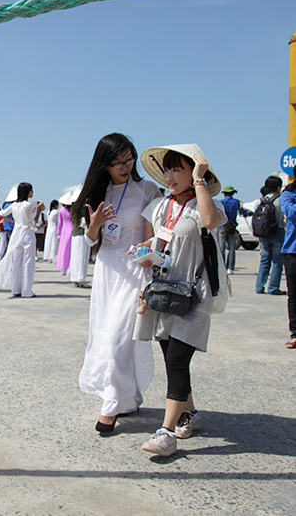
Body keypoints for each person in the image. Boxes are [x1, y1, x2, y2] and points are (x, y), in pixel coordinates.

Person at [133, 144, 226, 457]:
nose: (170, 176)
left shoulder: (201, 205)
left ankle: (166, 432)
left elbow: (212, 222)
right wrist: (144, 251)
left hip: (193, 297)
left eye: (178, 169)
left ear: (193, 173)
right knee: (172, 361)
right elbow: (157, 240)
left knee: (176, 361)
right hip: (163, 293)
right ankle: (191, 414)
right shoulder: (160, 206)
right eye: (167, 169)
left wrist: (200, 179)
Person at [73, 133, 160, 433]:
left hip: (134, 271)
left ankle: (110, 403)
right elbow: (91, 240)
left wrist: (148, 250)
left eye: (129, 159)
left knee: (118, 337)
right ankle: (128, 395)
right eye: (117, 162)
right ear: (104, 164)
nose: (125, 166)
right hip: (107, 272)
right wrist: (93, 227)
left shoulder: (147, 189)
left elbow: (155, 235)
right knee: (105, 335)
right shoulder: (100, 191)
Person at [0, 182, 43, 298]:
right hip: (27, 232)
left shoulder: (14, 205)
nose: (32, 192)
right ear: (27, 192)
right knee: (28, 262)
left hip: (17, 233)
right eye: (31, 190)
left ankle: (15, 289)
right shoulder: (29, 205)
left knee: (16, 262)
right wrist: (38, 210)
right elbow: (32, 221)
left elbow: (1, 214)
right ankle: (27, 291)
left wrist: (14, 222)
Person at [255, 176, 286, 295]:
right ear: (278, 187)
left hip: (264, 233)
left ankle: (259, 286)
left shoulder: (262, 200)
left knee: (264, 260)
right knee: (277, 261)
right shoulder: (279, 200)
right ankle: (273, 288)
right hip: (277, 232)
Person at [217, 185, 248, 275]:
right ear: (233, 193)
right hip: (232, 226)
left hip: (222, 225)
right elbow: (243, 212)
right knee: (232, 248)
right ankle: (230, 268)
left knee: (221, 248)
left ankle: (221, 267)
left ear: (224, 194)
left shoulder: (221, 202)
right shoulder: (237, 202)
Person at [280, 178, 296, 349]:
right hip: (293, 252)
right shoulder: (288, 195)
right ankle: (295, 334)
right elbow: (290, 212)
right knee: (294, 295)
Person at [55, 194, 74, 274]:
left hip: (64, 229)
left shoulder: (62, 210)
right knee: (71, 249)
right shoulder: (73, 210)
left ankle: (63, 268)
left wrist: (58, 233)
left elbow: (60, 223)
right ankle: (70, 268)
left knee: (63, 249)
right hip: (72, 228)